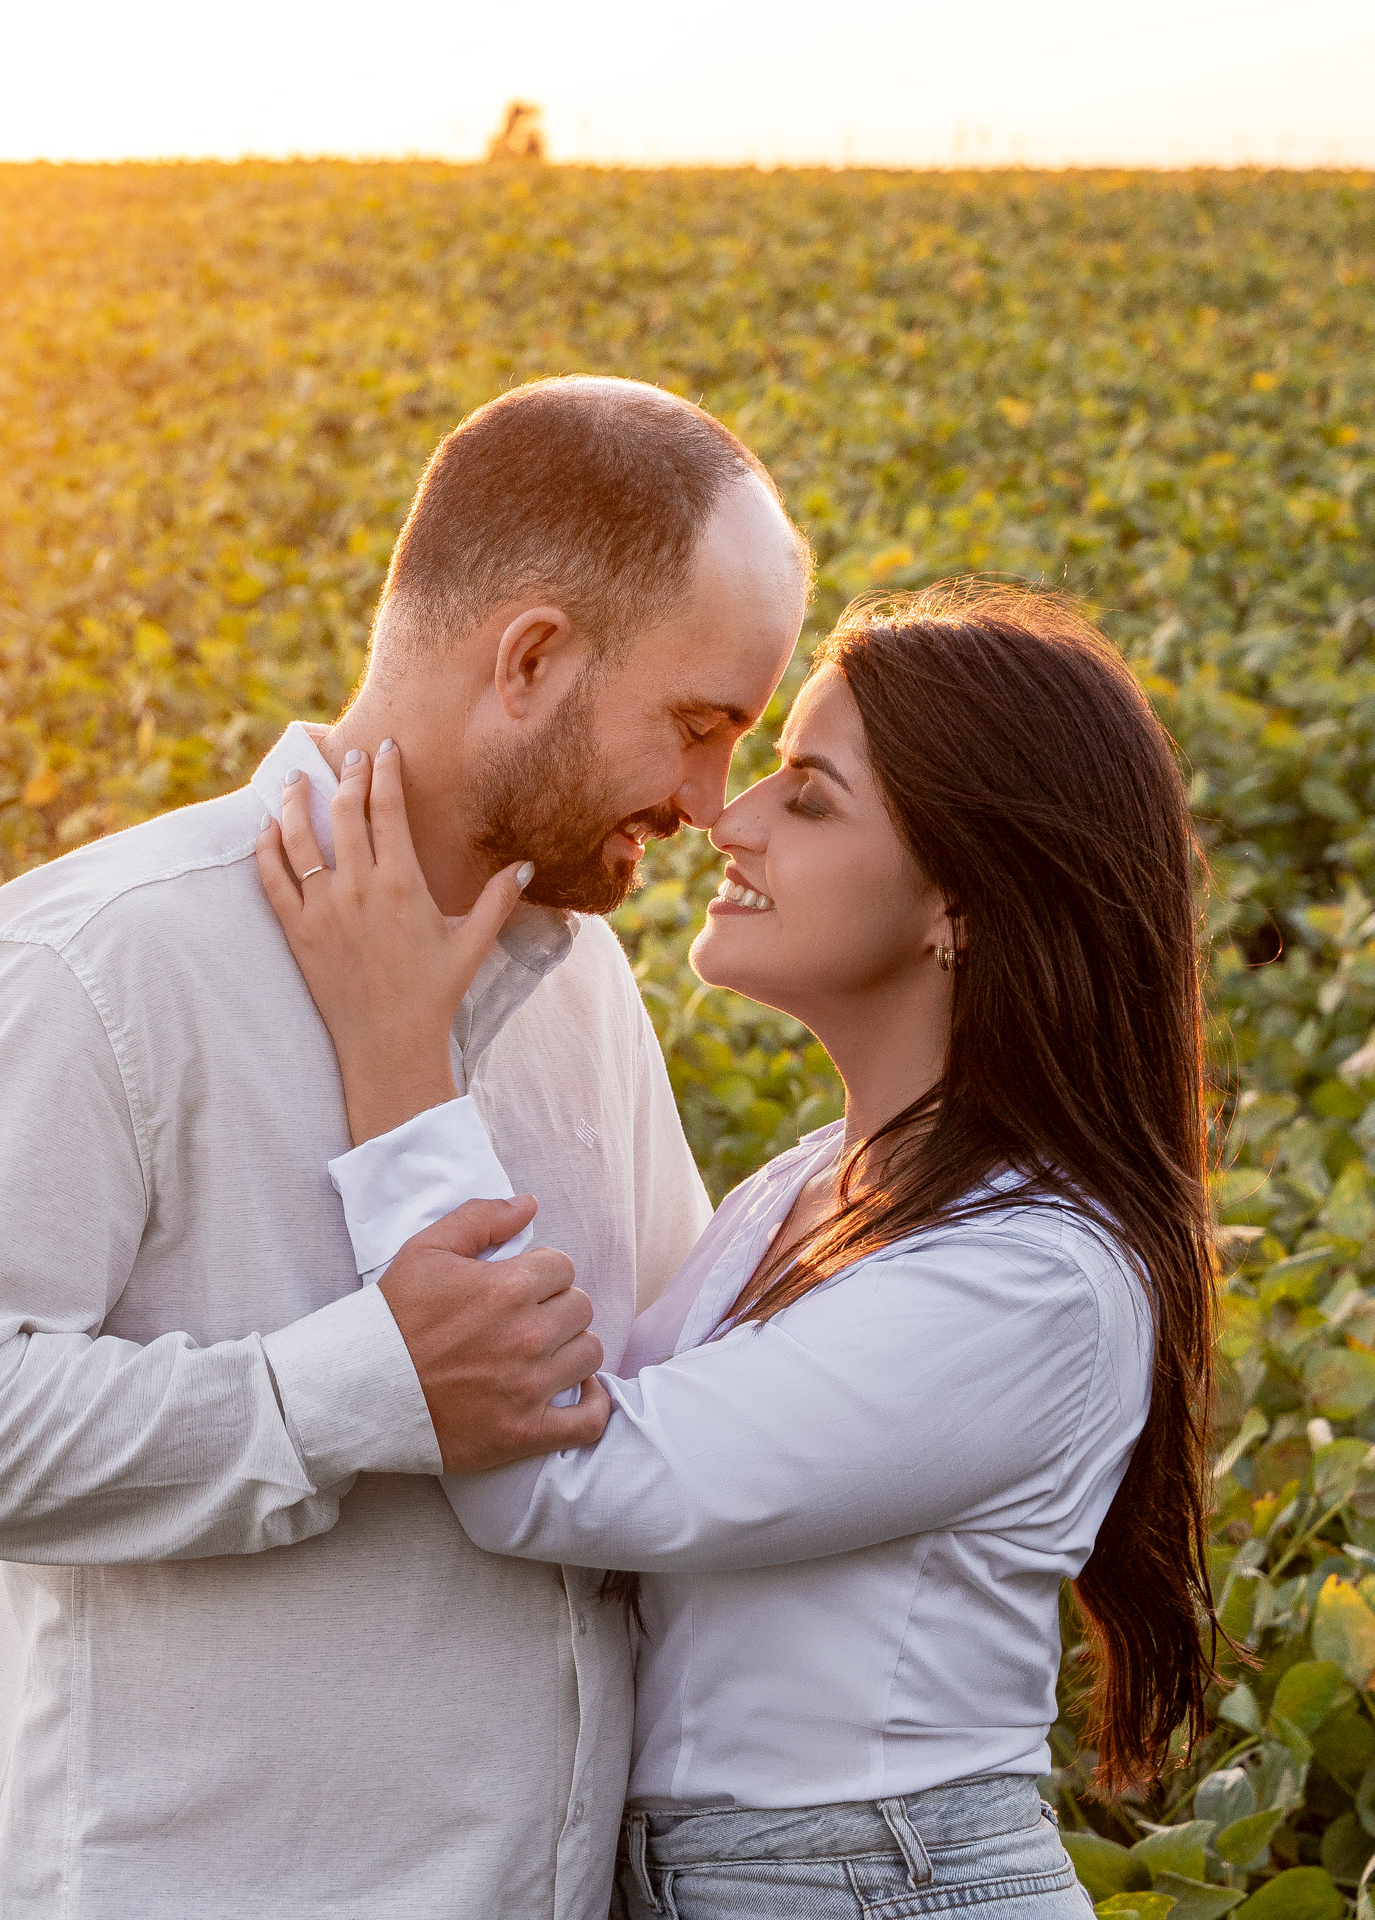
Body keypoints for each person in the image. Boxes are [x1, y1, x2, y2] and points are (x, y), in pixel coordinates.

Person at [0, 376, 811, 1919]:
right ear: (529, 659)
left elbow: (647, 1418)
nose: (708, 800)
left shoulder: (585, 984)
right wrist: (354, 1392)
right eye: (696, 727)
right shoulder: (96, 964)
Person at [256, 586, 1220, 1920]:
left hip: (877, 1887)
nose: (730, 817)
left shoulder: (1032, 1280)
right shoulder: (807, 1186)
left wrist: (396, 1052)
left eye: (809, 798)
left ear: (962, 905)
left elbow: (550, 1477)